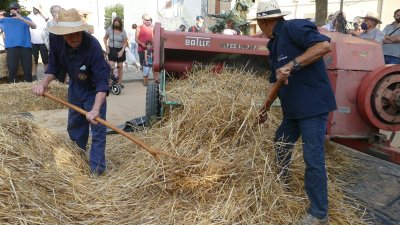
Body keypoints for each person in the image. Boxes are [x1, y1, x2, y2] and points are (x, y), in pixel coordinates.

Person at [255, 0, 336, 224]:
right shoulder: (273, 45)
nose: (260, 30)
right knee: (281, 141)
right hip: (293, 110)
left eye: (260, 25)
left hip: (312, 106)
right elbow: (276, 82)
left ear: (264, 22)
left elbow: (324, 46)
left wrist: (293, 64)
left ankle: (319, 213)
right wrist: (264, 109)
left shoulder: (294, 28)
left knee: (313, 158)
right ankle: (281, 185)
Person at [32, 8, 110, 176]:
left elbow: (102, 83)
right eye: (69, 34)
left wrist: (95, 109)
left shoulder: (93, 46)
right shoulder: (56, 39)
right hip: (75, 86)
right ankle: (78, 160)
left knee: (97, 128)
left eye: (77, 34)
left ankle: (97, 170)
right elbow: (53, 66)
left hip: (93, 89)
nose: (74, 38)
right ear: (61, 33)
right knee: (75, 125)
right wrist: (44, 82)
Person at [0, 2, 37, 83]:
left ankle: (28, 86)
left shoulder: (25, 18)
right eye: (12, 9)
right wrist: (1, 14)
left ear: (19, 9)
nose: (14, 11)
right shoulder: (5, 20)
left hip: (26, 46)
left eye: (15, 9)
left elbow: (34, 26)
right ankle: (13, 86)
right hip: (11, 47)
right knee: (12, 68)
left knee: (27, 68)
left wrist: (21, 18)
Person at [103, 16, 128, 89]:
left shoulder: (123, 31)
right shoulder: (110, 30)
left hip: (120, 50)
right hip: (111, 49)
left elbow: (125, 42)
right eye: (115, 24)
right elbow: (105, 38)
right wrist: (106, 47)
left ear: (120, 24)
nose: (116, 25)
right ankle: (112, 82)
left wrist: (122, 51)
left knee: (120, 67)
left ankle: (119, 83)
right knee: (111, 66)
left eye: (117, 24)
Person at [45, 5, 67, 83]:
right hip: (55, 49)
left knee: (64, 69)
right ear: (53, 13)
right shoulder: (50, 23)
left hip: (64, 49)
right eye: (58, 11)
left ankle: (62, 84)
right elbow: (46, 37)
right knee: (56, 68)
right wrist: (50, 48)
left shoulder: (63, 23)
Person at [28, 4, 49, 81]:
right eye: (34, 8)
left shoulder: (43, 16)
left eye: (36, 8)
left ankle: (47, 74)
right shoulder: (30, 16)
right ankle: (34, 75)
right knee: (34, 59)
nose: (35, 9)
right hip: (33, 41)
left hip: (43, 41)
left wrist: (40, 10)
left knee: (45, 59)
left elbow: (47, 17)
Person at [136, 14, 155, 80]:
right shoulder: (139, 28)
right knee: (143, 64)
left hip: (150, 50)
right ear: (143, 20)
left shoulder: (151, 28)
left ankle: (147, 78)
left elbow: (153, 38)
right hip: (141, 49)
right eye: (146, 20)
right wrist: (141, 43)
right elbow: (136, 39)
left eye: (149, 20)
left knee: (149, 64)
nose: (148, 21)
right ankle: (145, 79)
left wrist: (154, 47)